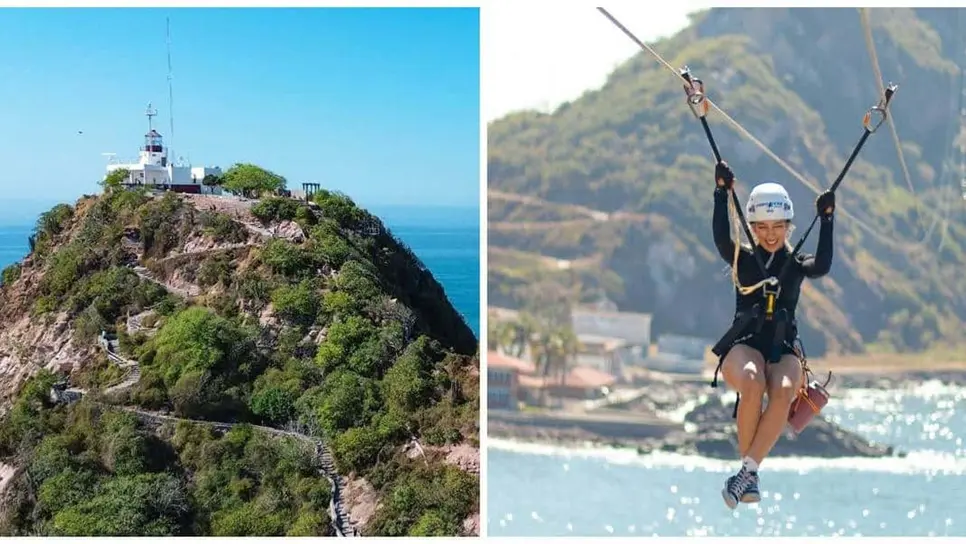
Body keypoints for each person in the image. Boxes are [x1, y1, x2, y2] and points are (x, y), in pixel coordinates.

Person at [710, 160, 835, 509]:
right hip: (745, 346)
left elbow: (822, 265)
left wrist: (827, 219)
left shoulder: (795, 263)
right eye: (761, 227)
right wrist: (722, 193)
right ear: (752, 227)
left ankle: (747, 473)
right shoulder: (744, 259)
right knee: (752, 383)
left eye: (777, 226)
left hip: (783, 350)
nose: (769, 234)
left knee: (781, 390)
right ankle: (748, 475)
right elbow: (721, 237)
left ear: (788, 227)